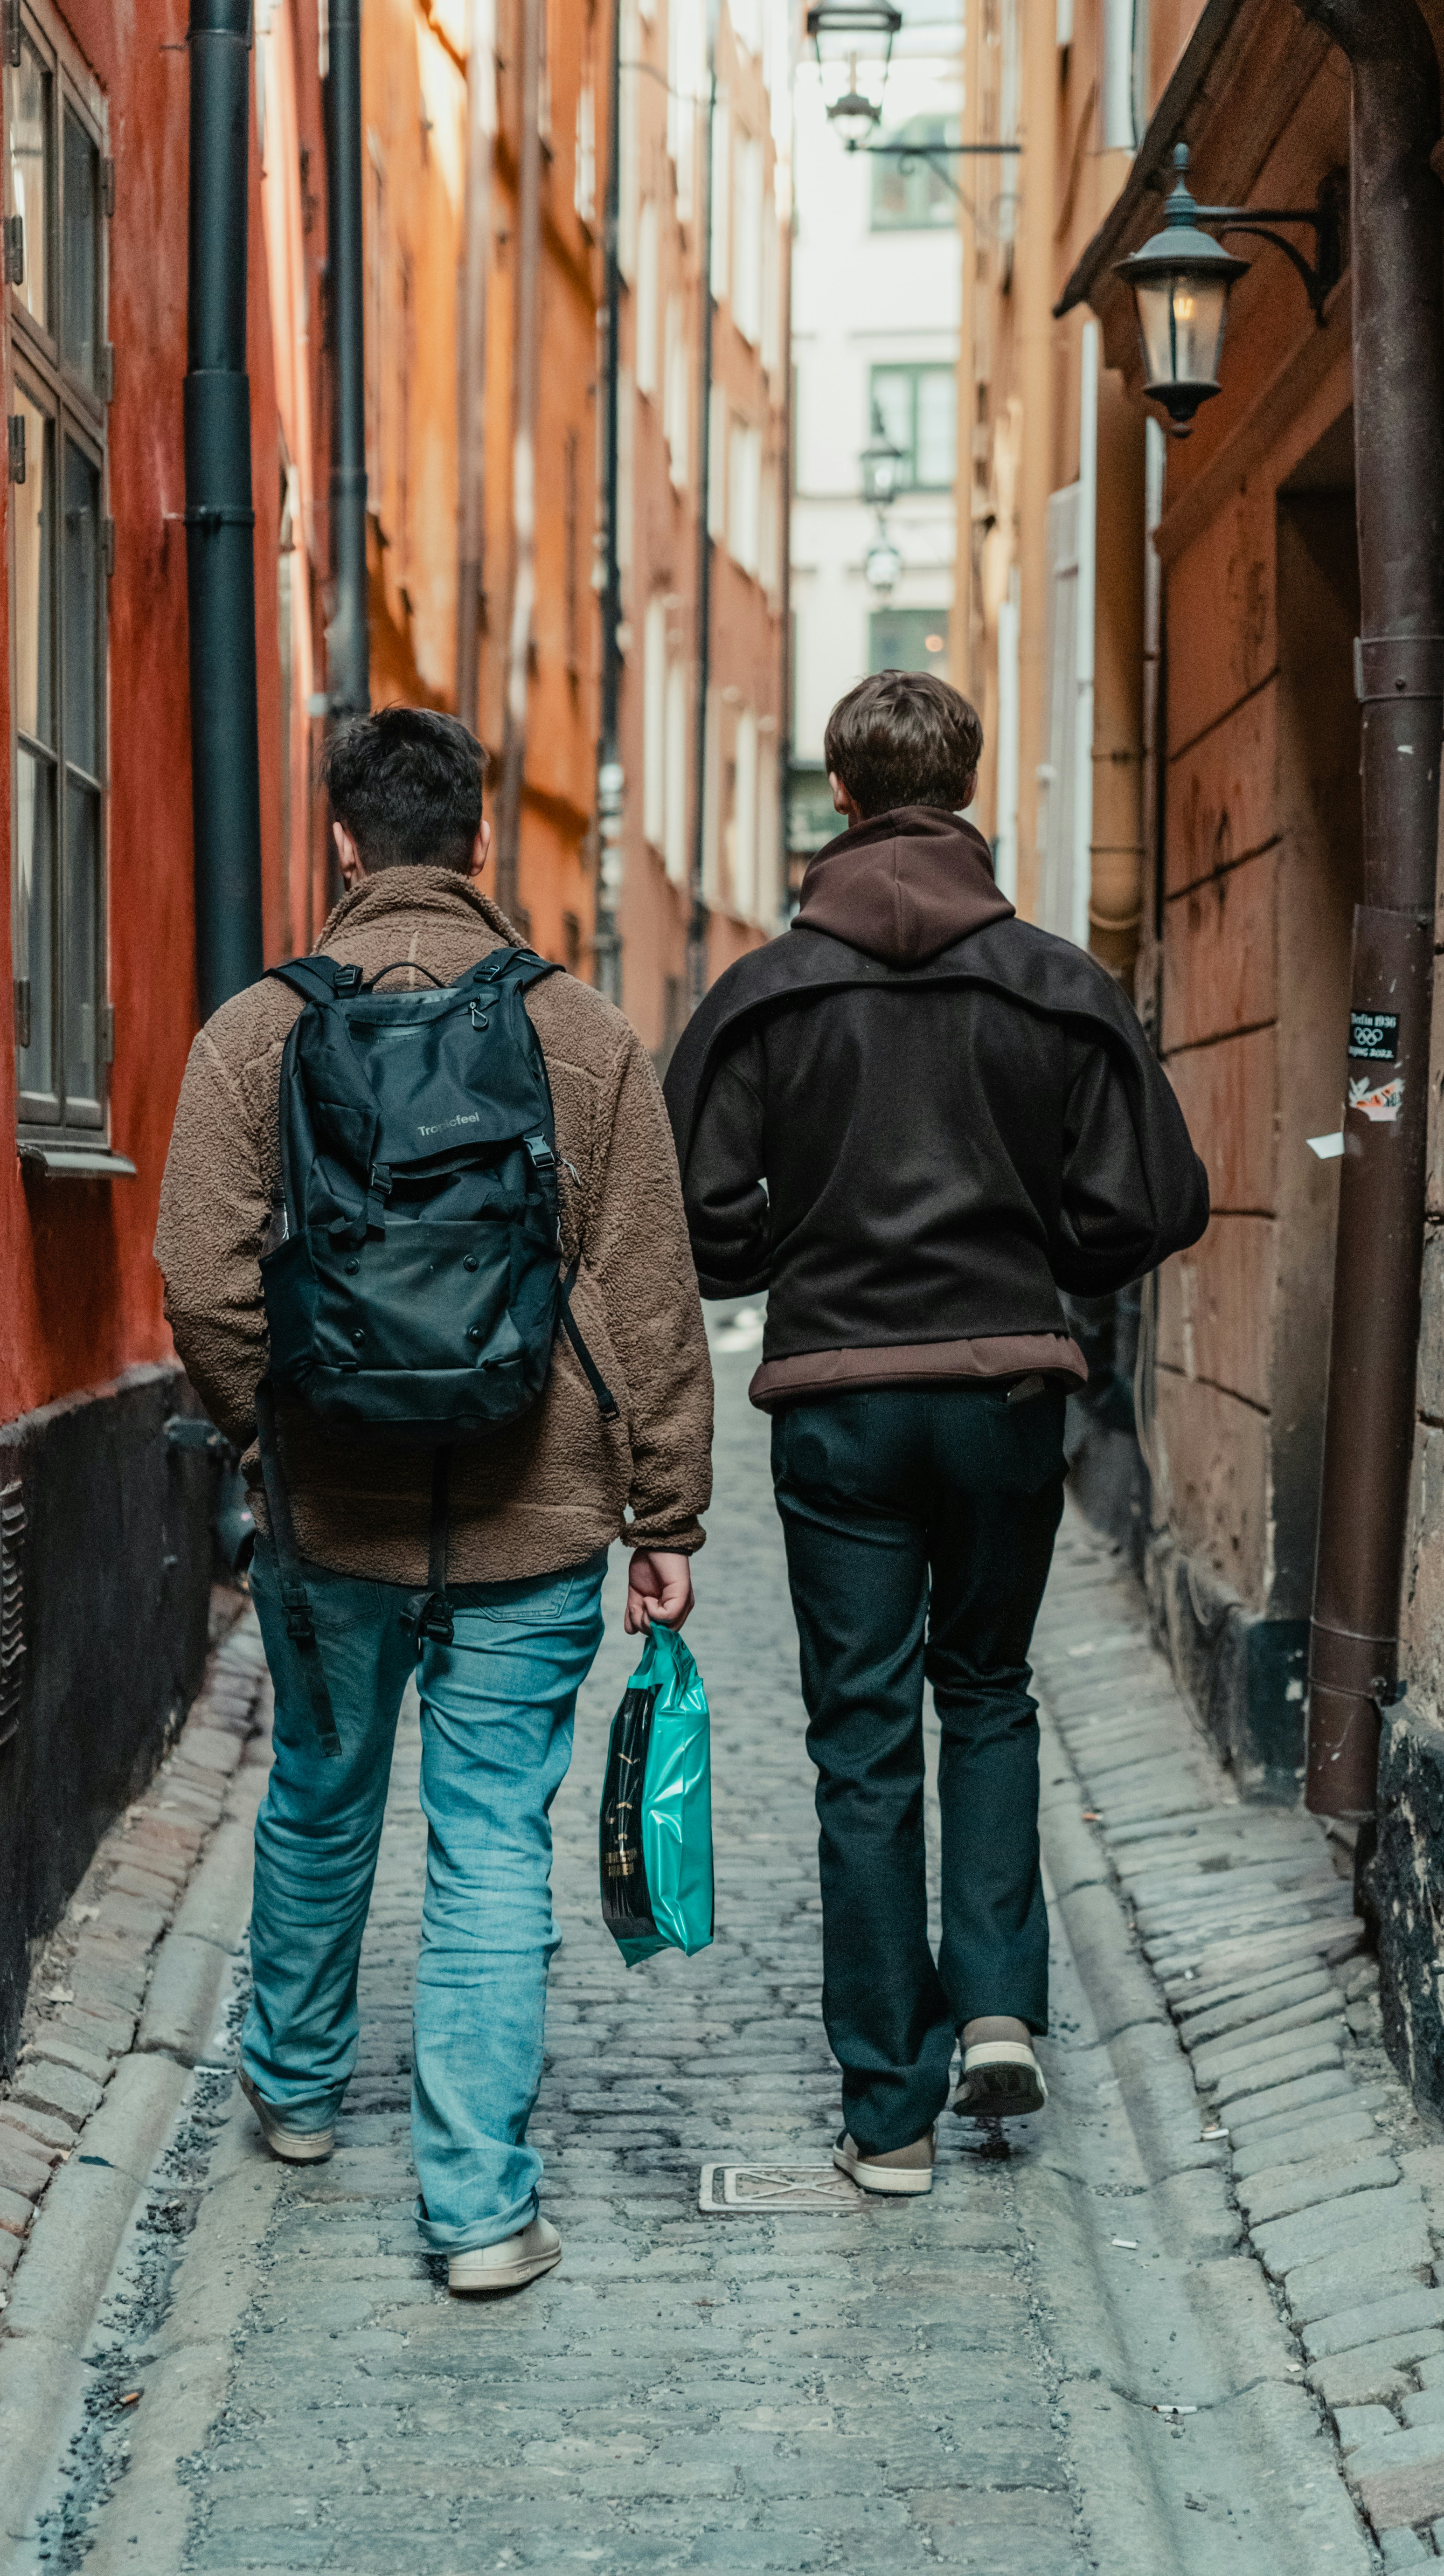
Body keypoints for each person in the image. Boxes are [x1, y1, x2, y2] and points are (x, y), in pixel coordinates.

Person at [156, 707, 711, 2294]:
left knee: (321, 1798)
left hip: (331, 1523)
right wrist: (663, 1523)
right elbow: (655, 1304)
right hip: (536, 1527)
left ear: (342, 841)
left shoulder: (254, 1034)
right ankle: (476, 2212)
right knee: (487, 1844)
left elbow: (200, 1272)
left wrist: (275, 1429)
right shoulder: (588, 1038)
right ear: (481, 842)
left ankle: (299, 2091)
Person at [666, 670, 1208, 2195]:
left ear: (838, 796)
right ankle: (992, 2007)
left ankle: (889, 2115)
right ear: (967, 786)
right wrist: (1038, 1256)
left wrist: (802, 1247)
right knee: (986, 1691)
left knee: (858, 1743)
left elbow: (694, 1217)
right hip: (1007, 1399)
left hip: (838, 1406)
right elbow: (1155, 1199)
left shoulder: (767, 996)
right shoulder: (1054, 984)